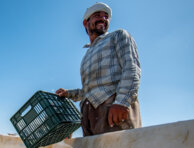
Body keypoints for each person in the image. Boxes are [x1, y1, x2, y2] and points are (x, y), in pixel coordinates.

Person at [56, 2, 141, 136]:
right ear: (86, 23)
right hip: (89, 118)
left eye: (106, 16)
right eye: (97, 15)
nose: (103, 18)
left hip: (113, 114)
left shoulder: (118, 36)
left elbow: (131, 68)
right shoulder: (87, 55)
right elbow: (88, 91)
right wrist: (69, 93)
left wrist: (122, 102)